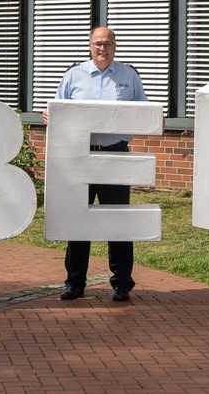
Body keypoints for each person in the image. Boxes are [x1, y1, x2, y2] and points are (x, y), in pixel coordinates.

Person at [42, 26, 147, 302]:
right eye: (98, 43)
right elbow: (57, 110)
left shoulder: (129, 75)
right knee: (78, 220)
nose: (103, 48)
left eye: (108, 43)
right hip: (80, 155)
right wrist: (48, 115)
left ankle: (122, 283)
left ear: (115, 46)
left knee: (118, 220)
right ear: (90, 45)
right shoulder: (73, 74)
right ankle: (75, 282)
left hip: (114, 155)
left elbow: (143, 112)